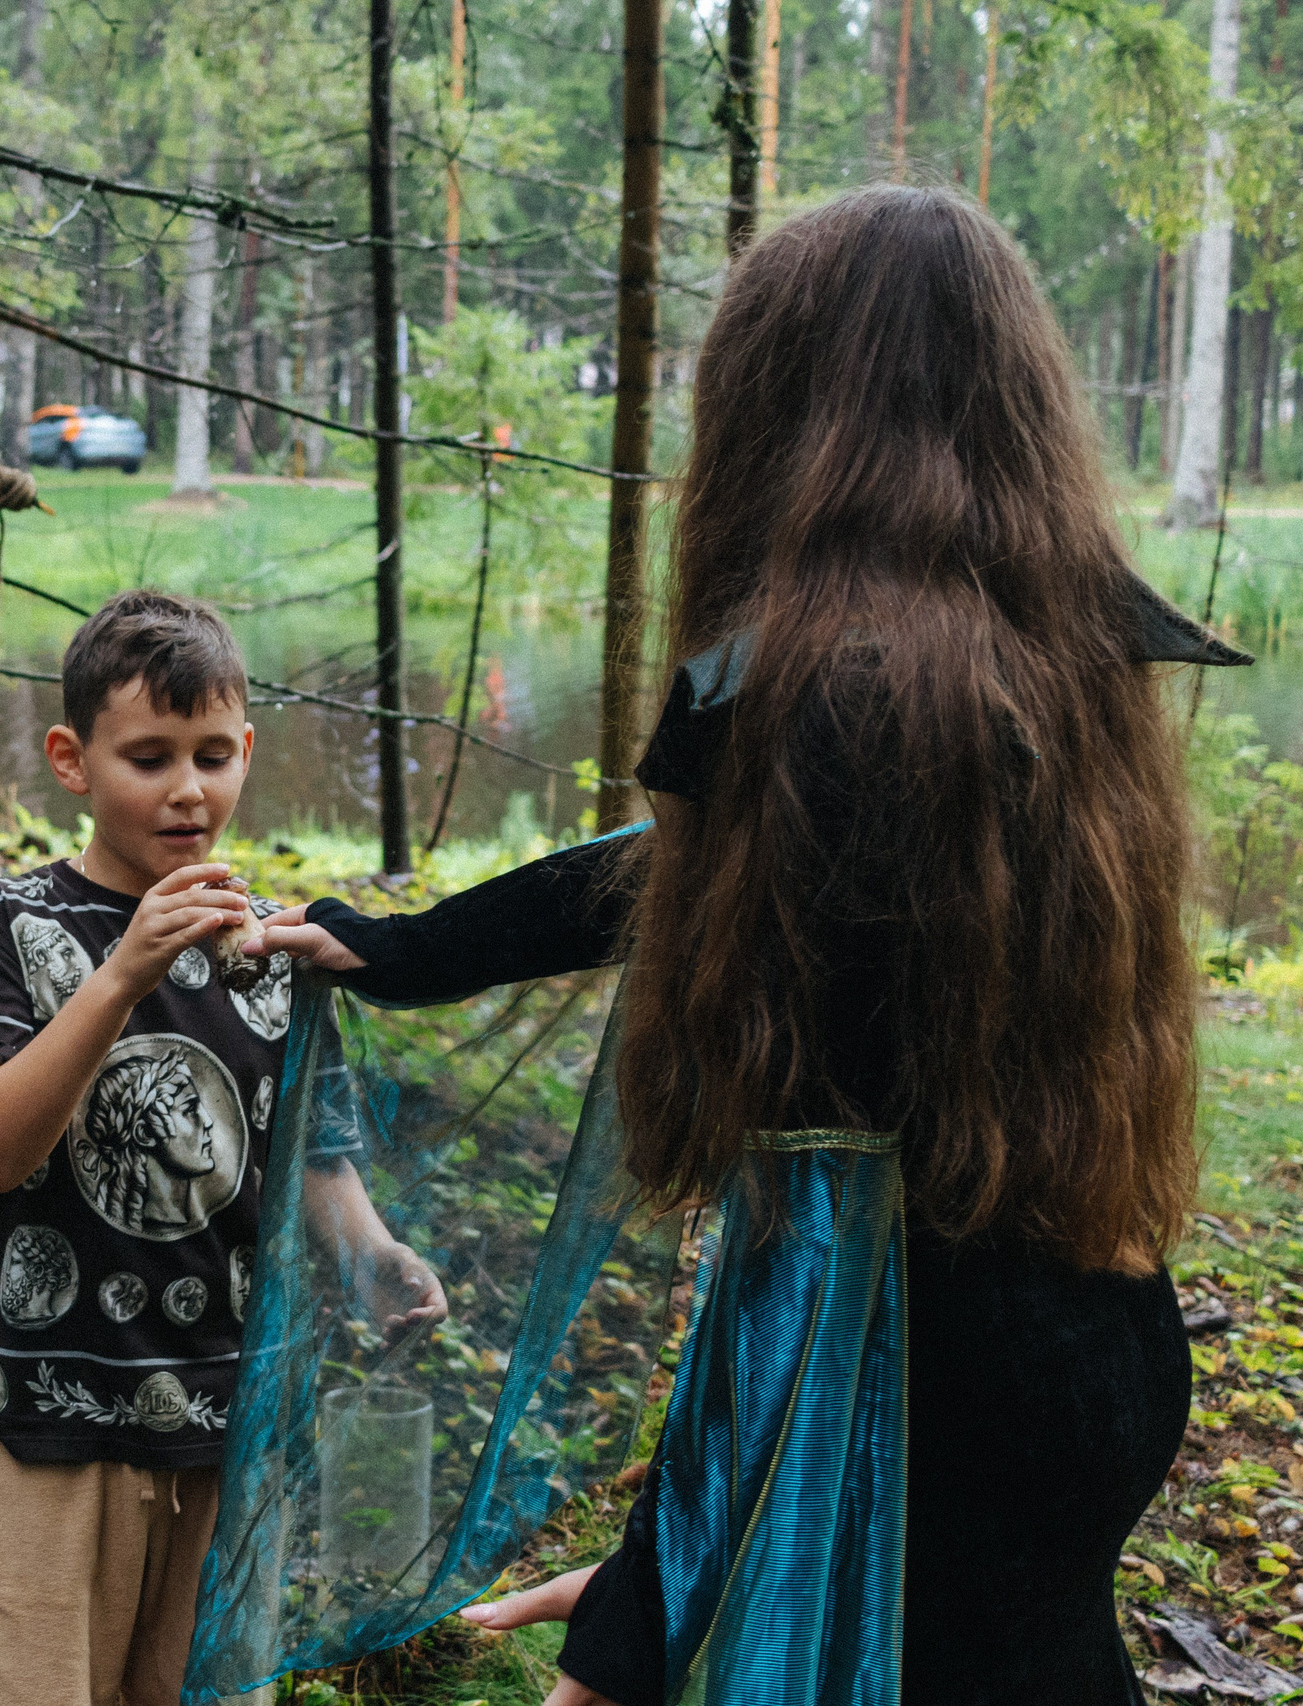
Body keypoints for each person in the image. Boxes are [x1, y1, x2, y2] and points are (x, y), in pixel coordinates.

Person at [256, 186, 1214, 1706]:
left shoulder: (813, 693)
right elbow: (701, 874)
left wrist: (655, 1589)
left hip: (915, 1372)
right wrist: (410, 947)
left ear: (780, 409)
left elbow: (825, 1237)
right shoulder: (1055, 658)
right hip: (1094, 1336)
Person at [0, 591, 446, 1706]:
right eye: (148, 756)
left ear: (247, 751)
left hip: (225, 1404)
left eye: (213, 754)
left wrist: (372, 1249)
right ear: (70, 759)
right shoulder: (12, 927)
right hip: (45, 1407)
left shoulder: (265, 946)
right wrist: (118, 974)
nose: (186, 788)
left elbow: (311, 1148)